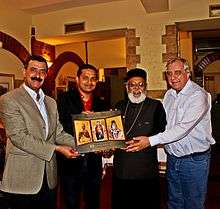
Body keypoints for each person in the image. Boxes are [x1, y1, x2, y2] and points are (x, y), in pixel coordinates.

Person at [127, 57, 216, 209]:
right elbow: (164, 125)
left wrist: (149, 140)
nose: (173, 78)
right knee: (174, 203)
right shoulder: (169, 95)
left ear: (188, 73)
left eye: (178, 73)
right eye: (169, 74)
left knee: (193, 204)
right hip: (173, 159)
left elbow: (182, 129)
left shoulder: (198, 96)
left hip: (194, 161)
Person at [0, 55, 80, 209]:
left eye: (42, 71)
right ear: (24, 72)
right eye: (33, 70)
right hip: (21, 180)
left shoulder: (51, 102)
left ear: (46, 75)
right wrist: (56, 149)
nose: (38, 75)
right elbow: (19, 137)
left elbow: (58, 133)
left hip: (49, 179)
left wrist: (84, 144)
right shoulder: (9, 99)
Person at [111, 68, 167, 209]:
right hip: (122, 169)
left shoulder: (156, 106)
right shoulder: (119, 106)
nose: (137, 89)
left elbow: (163, 132)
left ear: (145, 86)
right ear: (127, 87)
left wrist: (148, 140)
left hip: (145, 170)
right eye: (132, 84)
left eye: (140, 84)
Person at [57, 64, 107, 209]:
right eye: (85, 78)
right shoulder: (64, 99)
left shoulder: (102, 103)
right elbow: (59, 126)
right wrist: (80, 120)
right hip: (70, 160)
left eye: (93, 79)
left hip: (93, 162)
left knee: (93, 202)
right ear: (78, 79)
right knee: (70, 202)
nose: (89, 82)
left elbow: (104, 132)